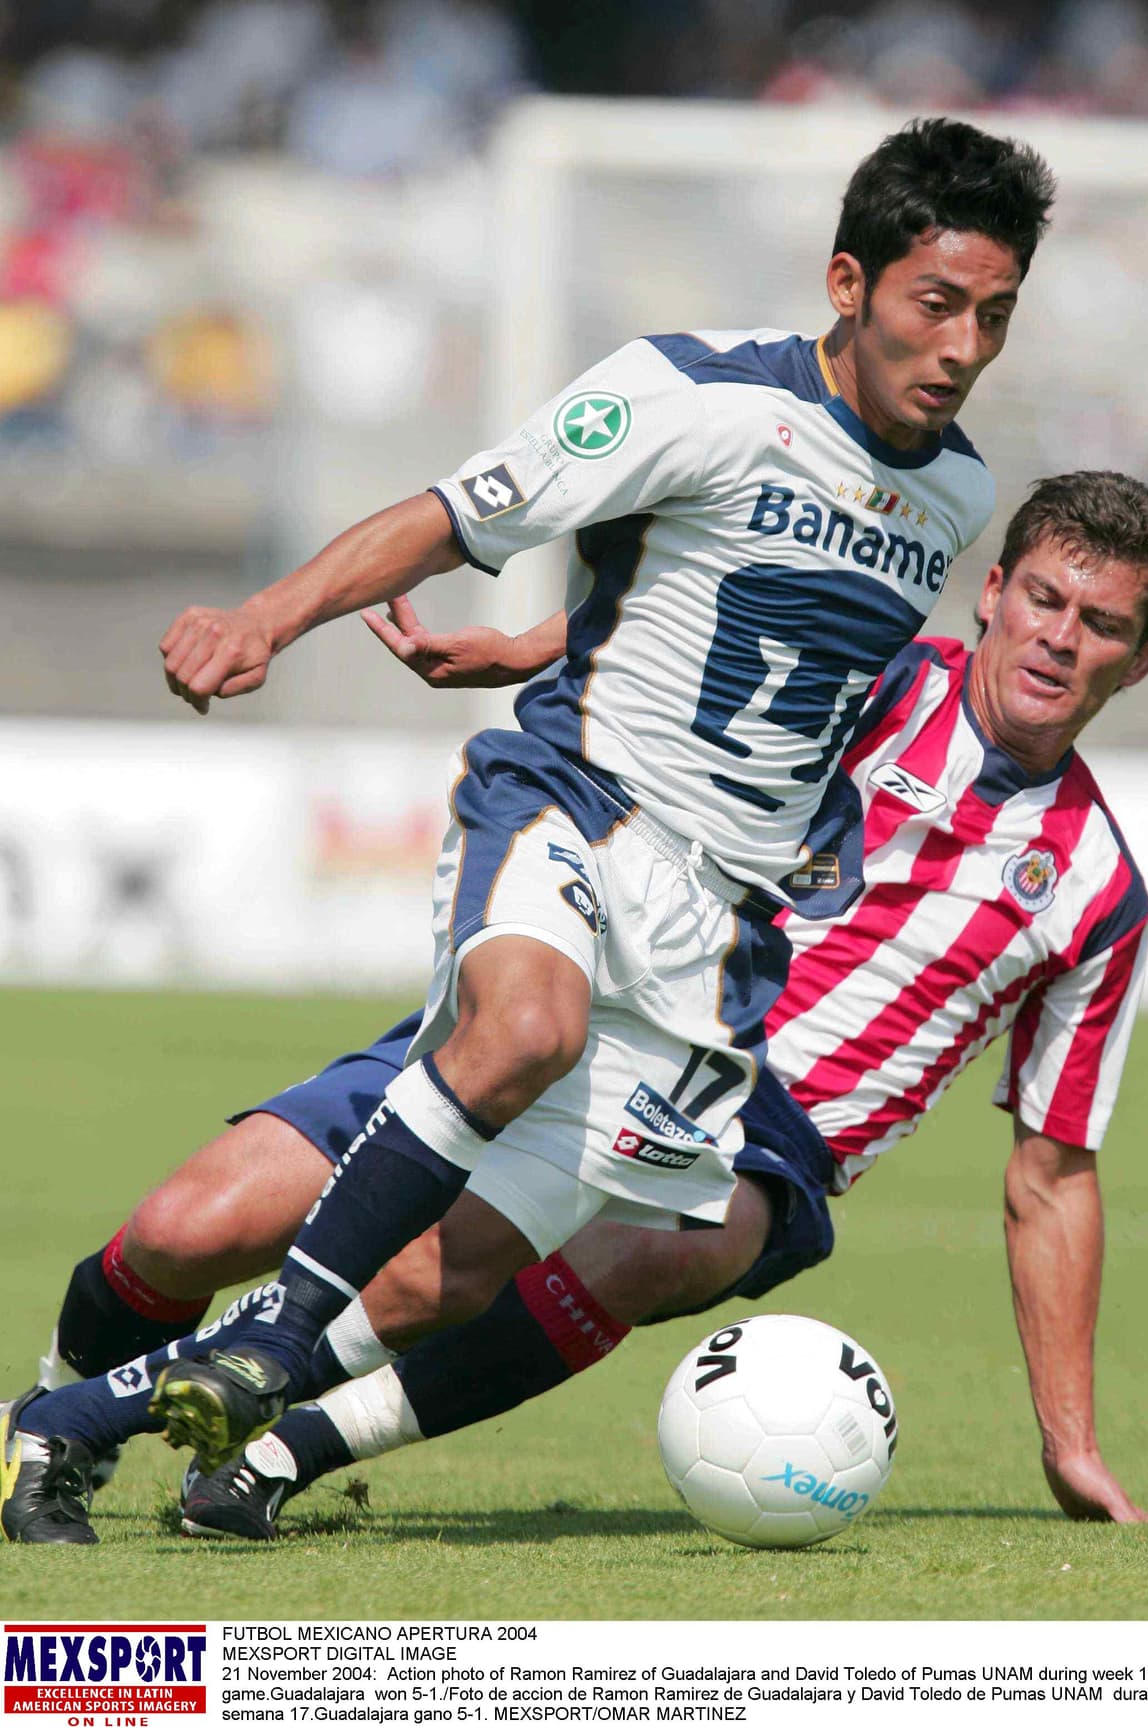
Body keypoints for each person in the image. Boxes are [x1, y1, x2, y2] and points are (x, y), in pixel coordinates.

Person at [2, 471, 1148, 1543]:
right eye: (1043, 599)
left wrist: (1067, 1437)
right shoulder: (866, 678)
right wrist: (527, 647)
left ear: (1137, 661)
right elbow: (690, 639)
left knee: (563, 1250)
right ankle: (48, 1425)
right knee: (189, 1226)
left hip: (760, 1131)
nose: (1057, 639)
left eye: (1100, 626)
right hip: (605, 985)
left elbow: (1050, 1173)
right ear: (990, 592)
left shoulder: (1095, 893)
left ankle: (278, 1450)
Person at [116, 117, 1054, 1475]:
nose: (964, 348)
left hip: (698, 935)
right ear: (848, 285)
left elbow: (748, 606)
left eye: (996, 316)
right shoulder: (693, 392)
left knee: (473, 1259)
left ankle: (87, 1426)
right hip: (576, 805)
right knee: (508, 1037)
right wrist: (269, 616)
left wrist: (531, 639)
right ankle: (259, 1344)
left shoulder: (956, 494)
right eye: (937, 305)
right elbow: (458, 508)